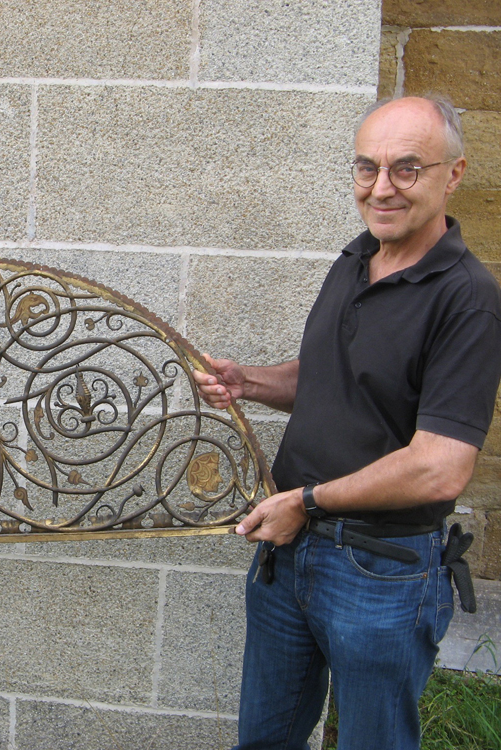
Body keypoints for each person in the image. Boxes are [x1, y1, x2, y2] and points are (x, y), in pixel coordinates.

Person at [194, 96, 501, 749]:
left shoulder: (467, 299)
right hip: (287, 556)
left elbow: (441, 465)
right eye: (367, 167)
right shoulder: (355, 260)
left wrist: (305, 501)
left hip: (381, 572)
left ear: (453, 174)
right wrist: (251, 382)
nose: (381, 187)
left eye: (406, 168)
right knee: (265, 741)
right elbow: (334, 378)